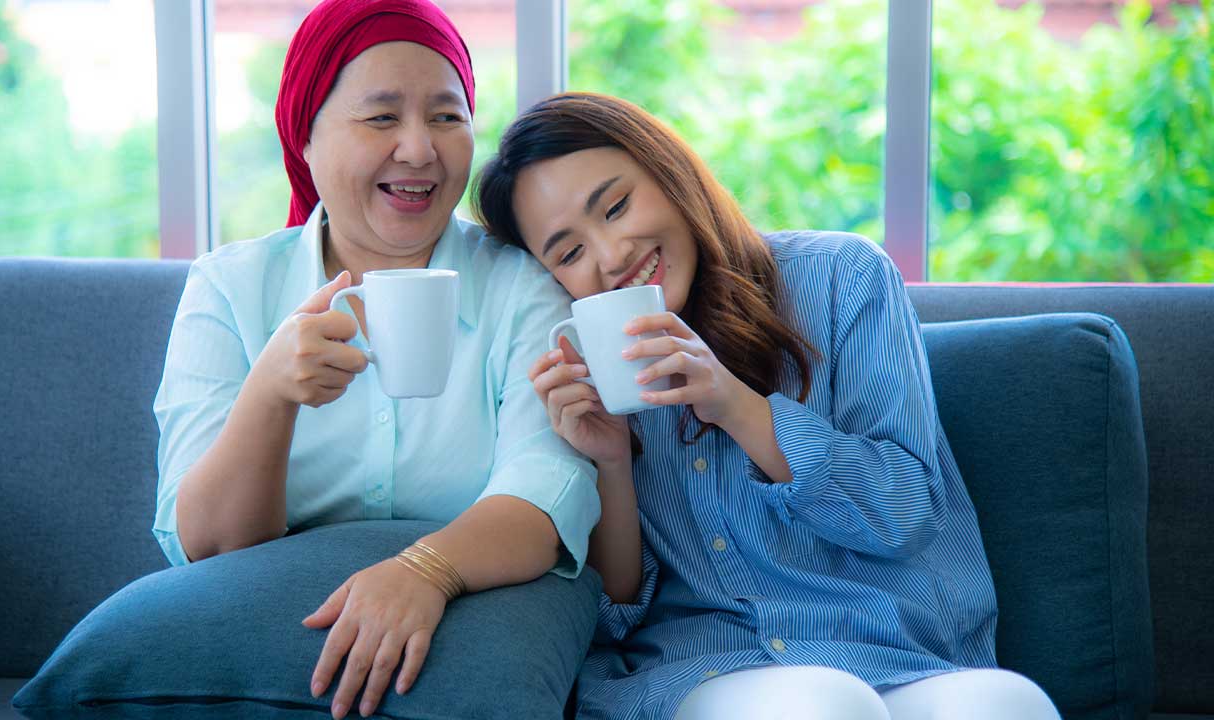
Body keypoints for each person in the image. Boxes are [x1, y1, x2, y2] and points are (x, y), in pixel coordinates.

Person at [473, 92, 1061, 720]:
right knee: (819, 707)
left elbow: (907, 511)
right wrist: (612, 462)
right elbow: (619, 612)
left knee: (1010, 704)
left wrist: (734, 404)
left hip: (894, 653)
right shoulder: (584, 365)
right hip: (707, 666)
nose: (612, 256)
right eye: (568, 254)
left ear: (671, 174)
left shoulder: (842, 278)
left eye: (617, 206)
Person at [152, 4, 599, 718]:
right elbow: (206, 547)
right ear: (303, 136)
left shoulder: (522, 287)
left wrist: (426, 570)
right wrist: (269, 395)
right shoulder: (230, 288)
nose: (420, 150)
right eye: (382, 118)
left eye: (448, 117)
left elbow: (548, 493)